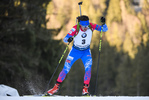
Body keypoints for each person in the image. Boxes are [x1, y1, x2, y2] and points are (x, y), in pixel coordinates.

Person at [46, 15, 108, 96]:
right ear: (80, 24)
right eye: (84, 26)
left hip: (86, 52)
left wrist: (104, 23)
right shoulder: (75, 28)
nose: (86, 28)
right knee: (66, 69)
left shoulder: (91, 26)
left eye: (87, 26)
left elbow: (105, 29)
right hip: (75, 52)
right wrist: (69, 39)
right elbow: (65, 38)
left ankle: (85, 90)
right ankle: (55, 88)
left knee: (88, 69)